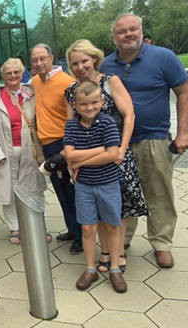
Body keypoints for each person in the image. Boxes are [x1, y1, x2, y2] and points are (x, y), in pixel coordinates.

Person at [100, 13, 188, 268]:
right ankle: (122, 241)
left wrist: (183, 131)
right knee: (122, 194)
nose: (128, 35)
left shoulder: (163, 57)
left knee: (158, 193)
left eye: (133, 30)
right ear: (114, 37)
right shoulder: (105, 66)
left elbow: (184, 92)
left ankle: (162, 244)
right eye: (122, 32)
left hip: (153, 138)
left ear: (141, 31)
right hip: (117, 143)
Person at [65, 39, 149, 273]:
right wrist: (75, 159)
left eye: (84, 60)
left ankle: (118, 253)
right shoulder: (71, 91)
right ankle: (104, 252)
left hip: (117, 150)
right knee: (98, 206)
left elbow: (129, 114)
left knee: (118, 207)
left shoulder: (110, 81)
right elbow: (71, 124)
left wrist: (121, 149)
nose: (80, 66)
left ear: (94, 58)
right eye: (75, 63)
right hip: (87, 156)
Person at [64, 81, 127, 293]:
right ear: (75, 105)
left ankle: (115, 268)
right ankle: (90, 268)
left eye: (93, 103)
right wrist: (100, 149)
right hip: (84, 186)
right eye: (83, 104)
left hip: (108, 183)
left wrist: (80, 162)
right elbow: (69, 154)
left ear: (102, 101)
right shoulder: (71, 125)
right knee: (87, 227)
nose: (89, 107)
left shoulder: (107, 122)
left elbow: (113, 155)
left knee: (112, 225)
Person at [0, 58, 47, 244]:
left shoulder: (32, 94)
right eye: (8, 73)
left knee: (34, 187)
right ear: (2, 76)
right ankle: (15, 228)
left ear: (22, 73)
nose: (13, 76)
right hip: (5, 154)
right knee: (9, 192)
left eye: (16, 72)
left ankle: (38, 225)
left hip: (30, 151)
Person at [30, 43, 83, 254]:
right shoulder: (35, 81)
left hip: (64, 143)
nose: (39, 63)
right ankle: (72, 228)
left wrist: (70, 147)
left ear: (51, 58)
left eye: (42, 58)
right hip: (47, 144)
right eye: (34, 60)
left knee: (72, 190)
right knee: (60, 190)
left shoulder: (67, 83)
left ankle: (81, 235)